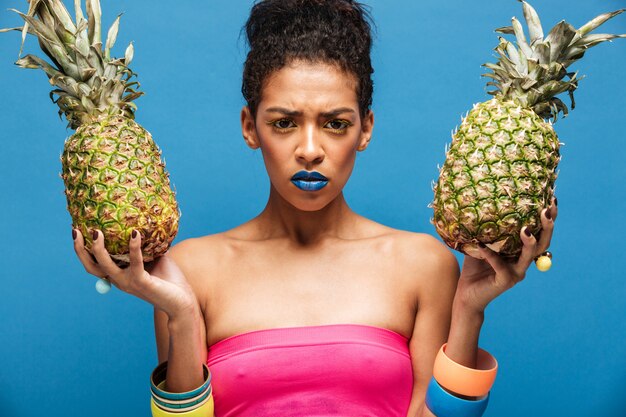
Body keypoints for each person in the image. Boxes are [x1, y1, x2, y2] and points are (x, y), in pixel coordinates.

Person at [71, 1, 557, 416]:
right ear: (250, 126)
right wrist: (178, 314)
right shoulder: (188, 272)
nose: (309, 149)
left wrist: (469, 309)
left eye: (335, 123)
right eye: (284, 123)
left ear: (365, 128)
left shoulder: (422, 264)